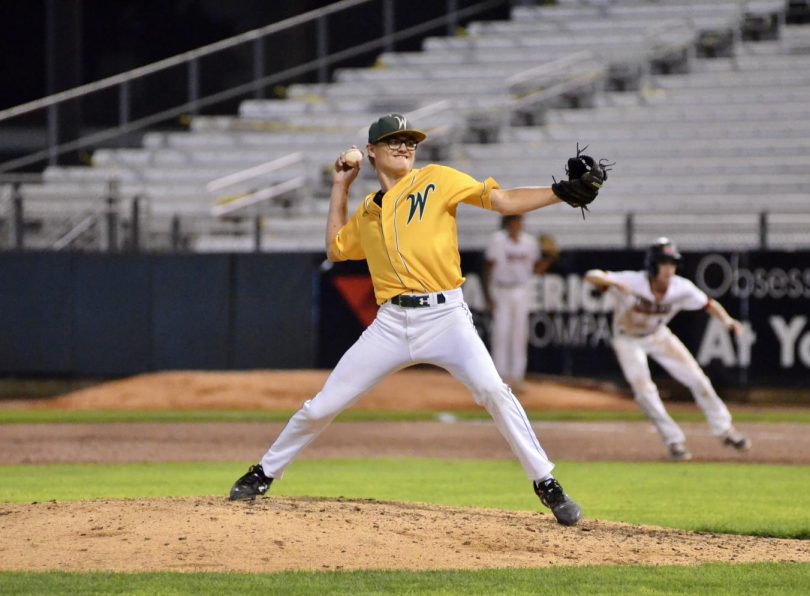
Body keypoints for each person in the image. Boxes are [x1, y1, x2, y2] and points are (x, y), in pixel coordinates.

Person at [228, 113, 596, 526]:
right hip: (391, 323)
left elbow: (502, 201)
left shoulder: (436, 179)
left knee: (494, 390)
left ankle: (546, 482)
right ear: (371, 151)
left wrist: (561, 193)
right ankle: (264, 472)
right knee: (320, 408)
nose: (405, 147)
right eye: (393, 141)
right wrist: (339, 187)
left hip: (446, 316)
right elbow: (334, 250)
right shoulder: (369, 210)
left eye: (410, 141)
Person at [584, 237, 751, 461]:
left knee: (697, 378)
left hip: (658, 335)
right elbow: (591, 275)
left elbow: (708, 304)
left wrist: (728, 321)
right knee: (644, 390)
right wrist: (612, 283)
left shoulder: (681, 287)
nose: (669, 268)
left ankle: (725, 430)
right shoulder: (634, 281)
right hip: (628, 339)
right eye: (664, 263)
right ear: (653, 265)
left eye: (672, 263)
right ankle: (674, 441)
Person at [484, 215, 558, 393]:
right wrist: (488, 294)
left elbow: (536, 270)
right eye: (513, 222)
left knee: (520, 333)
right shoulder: (498, 240)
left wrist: (550, 259)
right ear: (507, 224)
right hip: (501, 289)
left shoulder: (529, 242)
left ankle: (517, 377)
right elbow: (488, 266)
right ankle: (499, 378)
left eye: (518, 222)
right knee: (501, 332)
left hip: (521, 289)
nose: (516, 225)